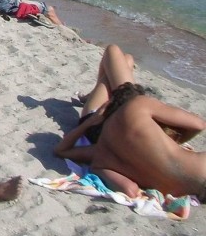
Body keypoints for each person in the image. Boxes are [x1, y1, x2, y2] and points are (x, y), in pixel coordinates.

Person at [78, 85, 206, 199]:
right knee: (120, 59)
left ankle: (91, 94)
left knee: (121, 62)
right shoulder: (139, 104)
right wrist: (176, 140)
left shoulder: (106, 153)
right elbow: (199, 125)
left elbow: (62, 150)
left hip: (180, 190)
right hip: (200, 170)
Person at [54, 44, 137, 165]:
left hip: (98, 122)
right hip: (123, 114)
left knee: (115, 52)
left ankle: (92, 95)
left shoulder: (107, 150)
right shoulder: (138, 152)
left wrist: (91, 120)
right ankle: (92, 94)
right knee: (126, 60)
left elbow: (61, 150)